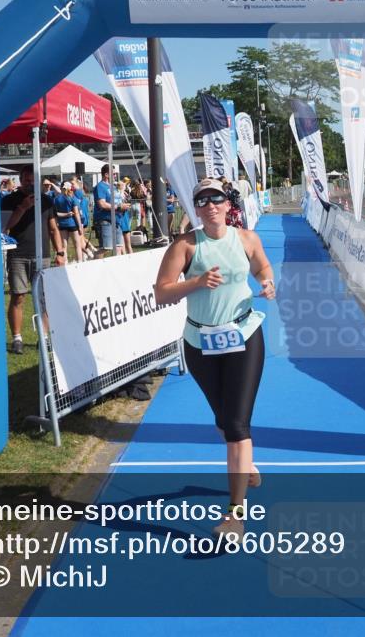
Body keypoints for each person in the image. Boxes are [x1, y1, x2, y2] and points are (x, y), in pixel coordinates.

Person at [154, 178, 275, 538]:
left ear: (227, 205)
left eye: (215, 199)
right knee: (223, 420)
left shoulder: (246, 239)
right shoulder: (186, 246)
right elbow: (161, 292)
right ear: (197, 208)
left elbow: (263, 269)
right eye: (202, 201)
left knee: (237, 425)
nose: (209, 206)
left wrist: (268, 283)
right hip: (201, 342)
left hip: (244, 335)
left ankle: (235, 514)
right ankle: (246, 464)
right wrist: (195, 282)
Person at [1, 165, 65, 354]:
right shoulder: (9, 200)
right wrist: (22, 208)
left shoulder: (46, 200)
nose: (29, 184)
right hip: (18, 254)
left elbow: (53, 228)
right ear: (20, 180)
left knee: (43, 299)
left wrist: (60, 252)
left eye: (32, 181)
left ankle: (44, 337)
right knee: (18, 296)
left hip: (42, 255)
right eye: (26, 180)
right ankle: (17, 338)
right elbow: (5, 227)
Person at [53, 181, 84, 263]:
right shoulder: (73, 198)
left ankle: (65, 263)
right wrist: (80, 226)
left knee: (64, 246)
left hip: (62, 224)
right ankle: (79, 262)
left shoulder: (56, 199)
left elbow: (55, 214)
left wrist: (64, 215)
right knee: (77, 245)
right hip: (72, 223)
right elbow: (76, 213)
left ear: (61, 188)